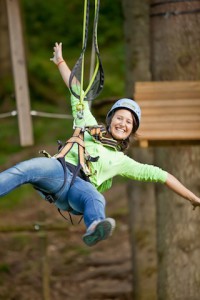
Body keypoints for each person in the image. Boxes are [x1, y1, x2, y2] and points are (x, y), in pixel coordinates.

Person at [0, 42, 200, 247]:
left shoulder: (121, 161)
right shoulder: (88, 123)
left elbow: (162, 175)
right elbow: (76, 90)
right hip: (58, 171)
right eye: (120, 118)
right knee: (25, 169)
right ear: (111, 119)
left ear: (131, 131)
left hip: (80, 188)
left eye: (129, 122)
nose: (123, 123)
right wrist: (60, 62)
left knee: (95, 198)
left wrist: (192, 197)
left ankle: (95, 226)